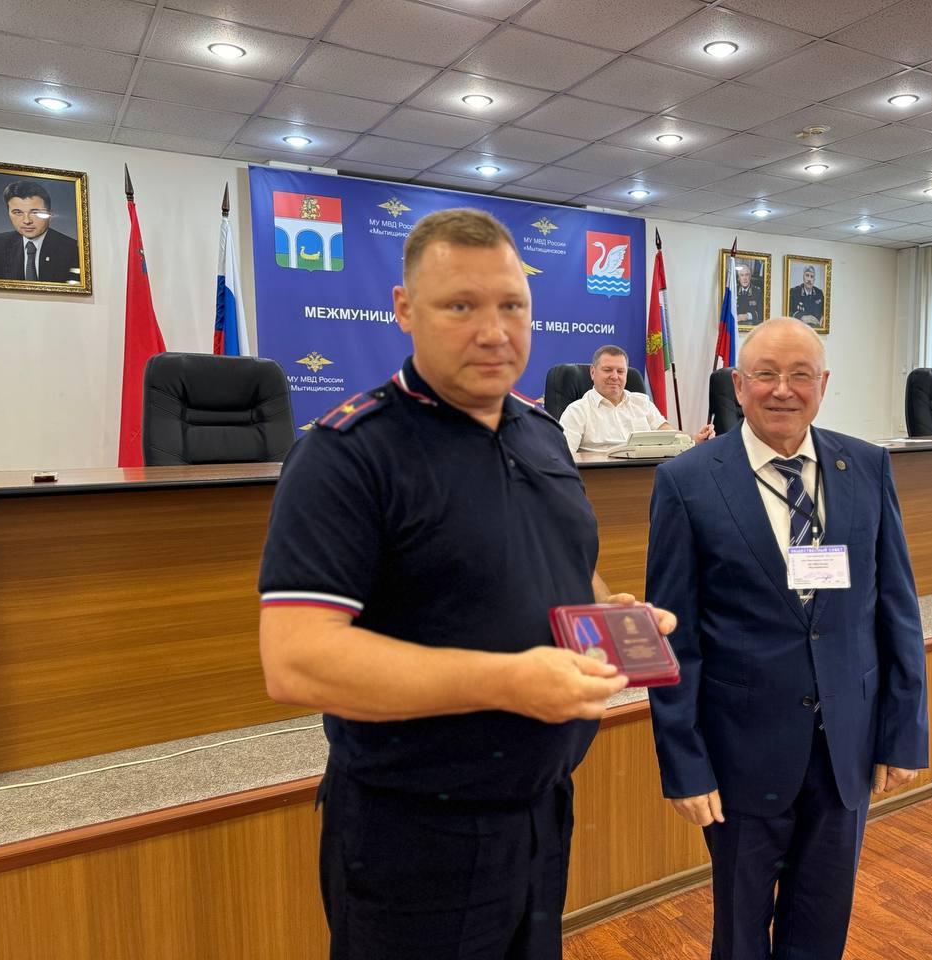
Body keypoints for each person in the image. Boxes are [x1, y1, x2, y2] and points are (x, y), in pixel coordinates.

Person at [258, 208, 674, 960]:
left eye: (512, 305)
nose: (493, 331)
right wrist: (507, 682)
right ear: (404, 309)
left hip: (542, 811)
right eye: (461, 306)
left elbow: (568, 562)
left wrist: (605, 612)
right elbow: (296, 660)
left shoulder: (542, 433)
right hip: (413, 832)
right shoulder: (346, 454)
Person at [645, 317, 929, 959]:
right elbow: (672, 639)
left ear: (822, 384)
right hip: (740, 754)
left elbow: (897, 609)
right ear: (738, 385)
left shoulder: (866, 466)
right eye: (766, 374)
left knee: (822, 925)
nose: (783, 389)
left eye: (800, 375)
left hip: (845, 750)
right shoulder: (686, 481)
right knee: (740, 933)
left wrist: (904, 731)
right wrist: (683, 764)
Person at [559, 344, 714, 455]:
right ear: (593, 372)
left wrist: (693, 439)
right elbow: (563, 457)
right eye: (607, 370)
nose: (615, 376)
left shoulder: (642, 403)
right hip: (601, 480)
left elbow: (670, 434)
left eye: (620, 371)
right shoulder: (577, 411)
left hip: (646, 475)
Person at [0, 179, 80, 282]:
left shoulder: (72, 250)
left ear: (50, 215)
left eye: (35, 212)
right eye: (18, 212)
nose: (27, 221)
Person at [735, 263, 763, 327]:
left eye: (747, 275)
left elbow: (762, 314)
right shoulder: (734, 291)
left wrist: (748, 316)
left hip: (752, 327)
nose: (744, 278)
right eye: (742, 275)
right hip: (736, 327)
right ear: (738, 278)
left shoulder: (758, 292)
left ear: (750, 277)